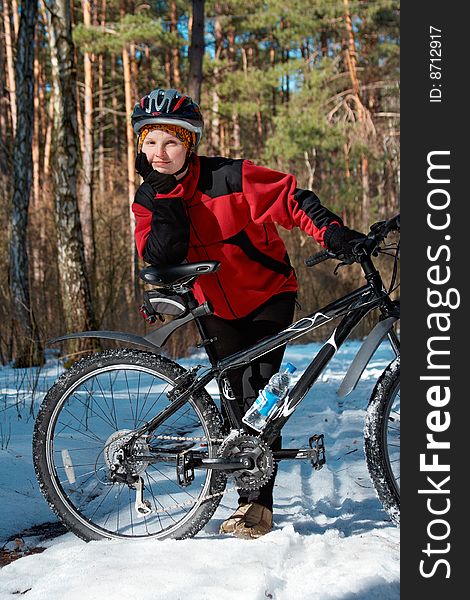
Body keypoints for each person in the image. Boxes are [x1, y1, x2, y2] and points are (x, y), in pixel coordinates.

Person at [131, 88, 364, 539]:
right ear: (141, 146)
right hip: (211, 305)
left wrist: (331, 232)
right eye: (150, 142)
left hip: (267, 295)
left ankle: (255, 509)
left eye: (171, 142)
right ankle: (243, 487)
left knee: (261, 397)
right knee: (235, 400)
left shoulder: (231, 177)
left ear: (189, 143)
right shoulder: (147, 199)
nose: (160, 153)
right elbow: (159, 253)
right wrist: (166, 198)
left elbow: (292, 198)